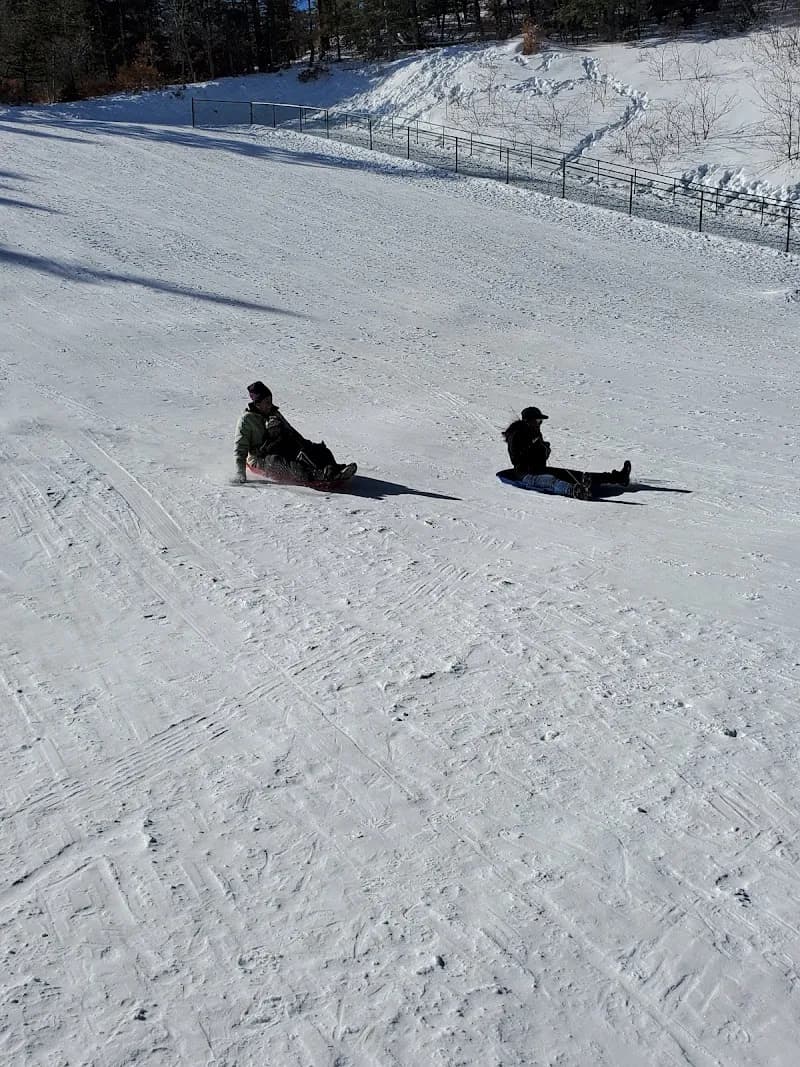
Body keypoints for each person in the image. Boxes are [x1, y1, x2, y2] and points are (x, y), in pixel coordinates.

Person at [234, 381, 356, 484]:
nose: (270, 405)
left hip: (280, 446)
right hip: (260, 458)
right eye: (267, 402)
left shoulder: (273, 413)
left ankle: (334, 468)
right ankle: (320, 476)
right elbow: (241, 447)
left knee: (315, 449)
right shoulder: (247, 420)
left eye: (271, 400)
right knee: (280, 463)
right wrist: (240, 473)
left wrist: (307, 445)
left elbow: (290, 431)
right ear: (257, 404)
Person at [502, 406, 631, 497]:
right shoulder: (517, 435)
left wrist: (544, 449)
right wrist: (531, 445)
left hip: (539, 469)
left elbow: (541, 458)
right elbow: (516, 459)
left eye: (540, 421)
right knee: (551, 481)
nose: (540, 423)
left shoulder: (534, 432)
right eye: (537, 421)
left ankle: (618, 478)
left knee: (578, 475)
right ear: (528, 421)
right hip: (526, 474)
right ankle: (575, 491)